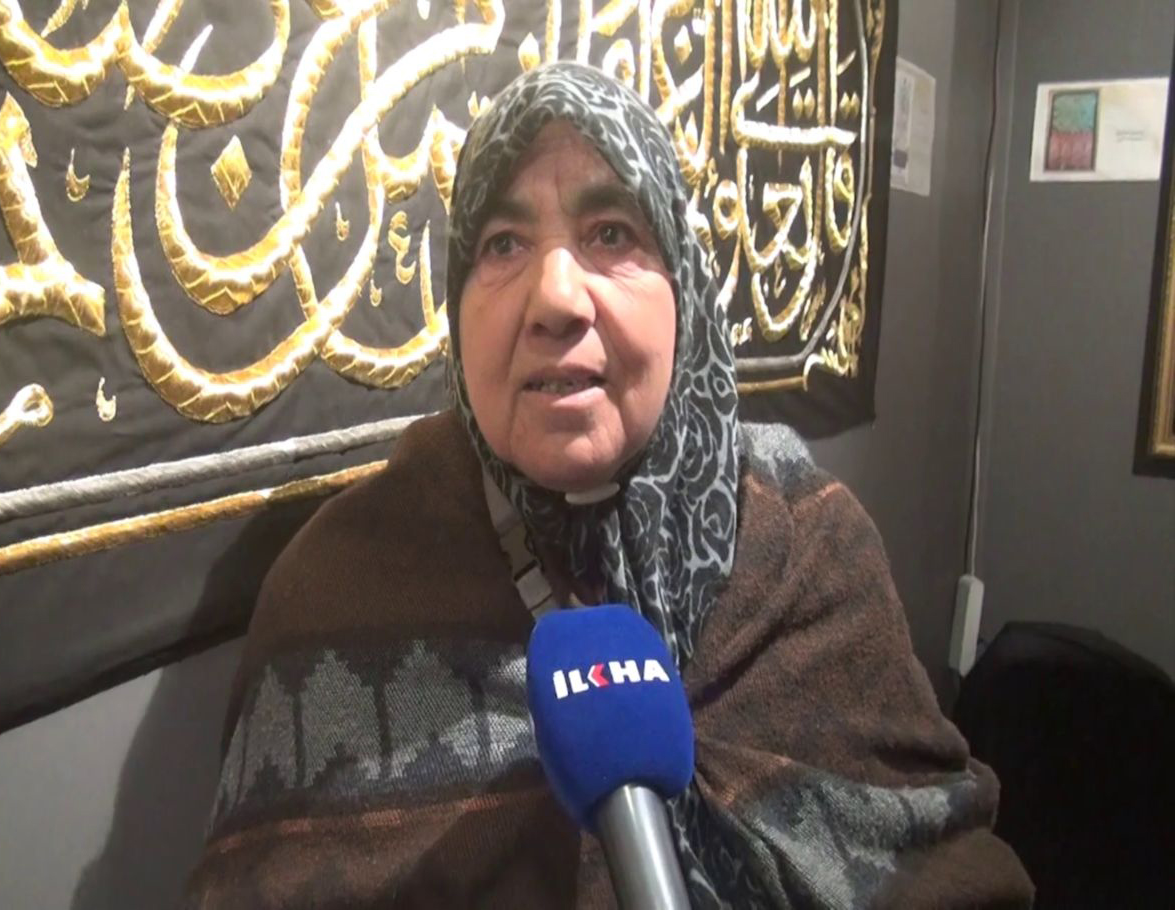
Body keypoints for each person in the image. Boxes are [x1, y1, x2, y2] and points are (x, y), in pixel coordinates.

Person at [185, 62, 1033, 908]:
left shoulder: (806, 543)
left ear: (684, 287)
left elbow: (949, 875)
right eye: (503, 244)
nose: (557, 298)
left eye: (612, 234)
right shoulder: (341, 590)